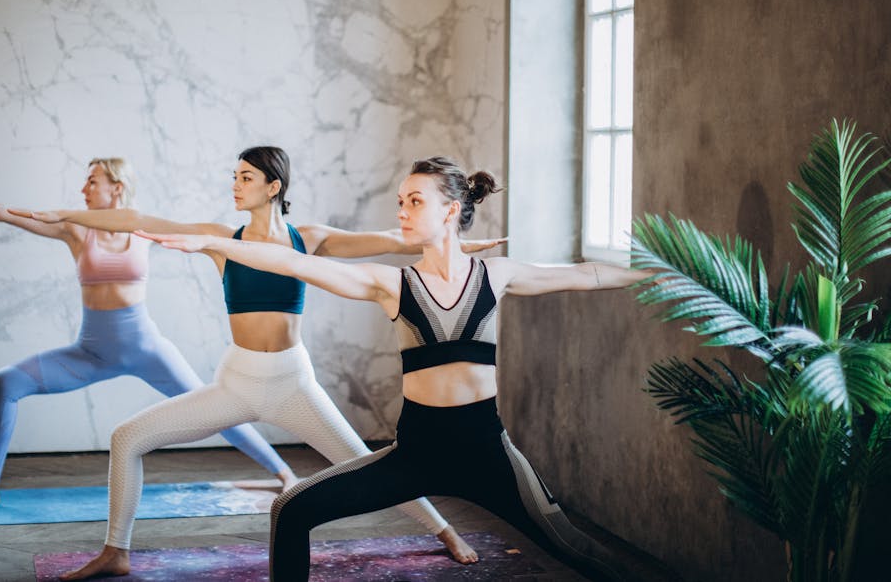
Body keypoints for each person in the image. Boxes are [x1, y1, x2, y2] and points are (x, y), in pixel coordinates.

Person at [139, 156, 650, 581]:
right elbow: (296, 264)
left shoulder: (498, 275)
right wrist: (212, 243)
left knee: (576, 548)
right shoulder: (392, 284)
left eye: (414, 201)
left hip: (489, 454)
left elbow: (590, 274)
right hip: (416, 455)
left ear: (450, 210)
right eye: (400, 202)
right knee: (290, 509)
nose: (402, 211)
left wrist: (665, 272)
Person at [15, 147, 492, 580]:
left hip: (292, 383)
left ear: (273, 187)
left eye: (245, 177)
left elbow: (393, 239)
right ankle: (115, 551)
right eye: (234, 176)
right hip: (237, 381)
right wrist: (63, 214)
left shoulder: (309, 239)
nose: (235, 185)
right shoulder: (224, 238)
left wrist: (467, 248)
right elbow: (136, 217)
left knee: (365, 461)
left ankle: (443, 530)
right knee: (126, 438)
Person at [0, 159, 292, 507]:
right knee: (4, 383)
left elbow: (212, 236)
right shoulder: (75, 230)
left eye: (91, 181)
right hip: (91, 354)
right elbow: (2, 211)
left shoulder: (141, 228)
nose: (83, 189)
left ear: (116, 188)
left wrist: (265, 244)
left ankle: (285, 475)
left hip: (148, 350)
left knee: (217, 407)